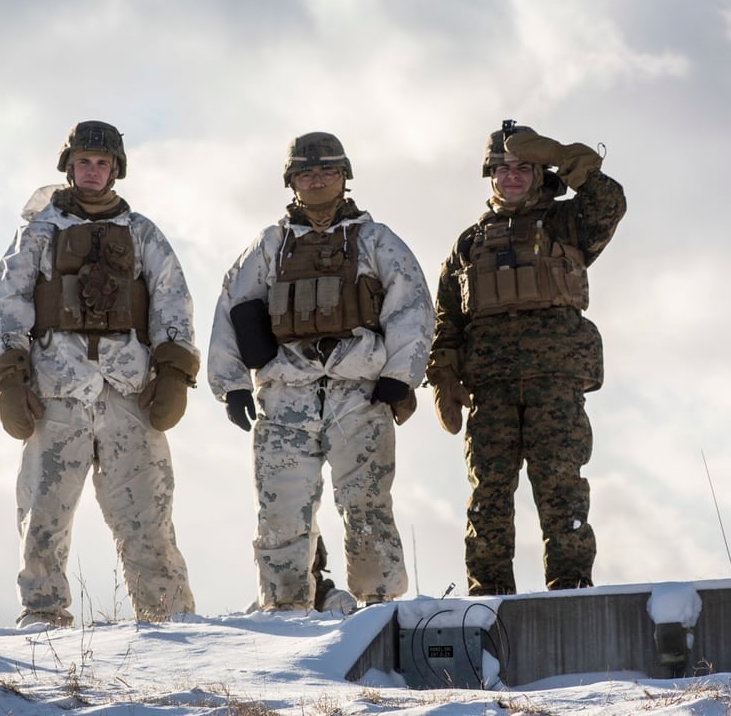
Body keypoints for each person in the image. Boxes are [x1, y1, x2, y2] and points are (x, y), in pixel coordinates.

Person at [0, 120, 201, 628]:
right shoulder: (37, 233)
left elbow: (172, 300)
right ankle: (42, 614)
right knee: (44, 512)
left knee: (148, 516)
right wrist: (9, 378)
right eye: (84, 161)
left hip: (130, 393)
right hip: (56, 391)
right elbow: (7, 303)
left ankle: (169, 620)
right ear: (69, 165)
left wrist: (172, 371)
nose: (93, 170)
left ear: (116, 170)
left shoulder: (143, 233)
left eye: (103, 163)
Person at [208, 131, 433, 611]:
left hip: (360, 392)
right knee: (281, 513)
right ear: (291, 181)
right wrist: (230, 385)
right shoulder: (269, 245)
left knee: (367, 505)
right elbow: (233, 307)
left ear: (344, 177)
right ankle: (284, 609)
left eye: (327, 170)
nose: (316, 180)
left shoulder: (376, 241)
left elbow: (411, 307)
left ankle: (379, 605)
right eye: (306, 172)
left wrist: (400, 375)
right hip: (285, 393)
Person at [426, 120, 626, 596]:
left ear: (540, 175)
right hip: (490, 389)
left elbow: (610, 202)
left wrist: (565, 155)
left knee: (561, 488)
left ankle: (571, 587)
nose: (510, 176)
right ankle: (488, 596)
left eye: (522, 168)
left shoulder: (566, 223)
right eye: (502, 169)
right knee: (488, 497)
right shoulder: (469, 243)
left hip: (553, 382)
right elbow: (447, 319)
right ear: (489, 176)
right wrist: (444, 375)